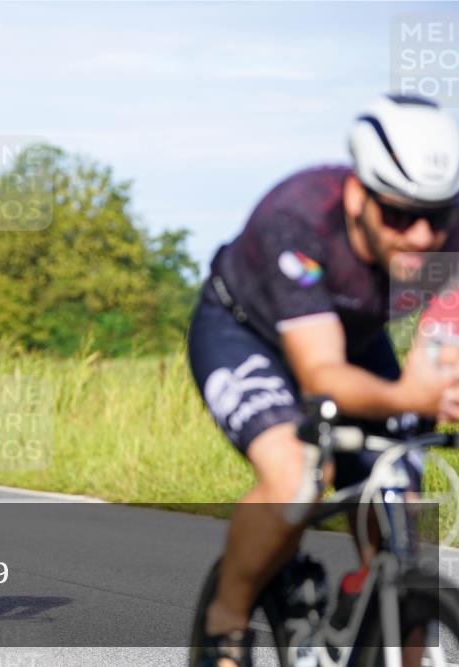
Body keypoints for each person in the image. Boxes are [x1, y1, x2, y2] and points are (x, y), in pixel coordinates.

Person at [187, 94, 459, 666]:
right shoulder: (300, 217)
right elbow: (322, 377)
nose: (420, 237)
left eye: (434, 218)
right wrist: (413, 396)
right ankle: (226, 622)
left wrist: (438, 386)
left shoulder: (446, 235)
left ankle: (390, 617)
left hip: (355, 343)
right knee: (298, 474)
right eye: (397, 215)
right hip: (245, 334)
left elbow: (435, 363)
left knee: (402, 507)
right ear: (359, 195)